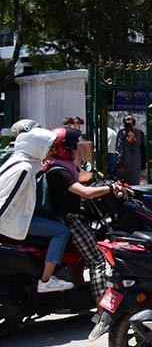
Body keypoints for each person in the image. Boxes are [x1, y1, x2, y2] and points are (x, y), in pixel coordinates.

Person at [42, 127, 121, 305]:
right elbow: (84, 192)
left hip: (67, 217)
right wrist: (110, 188)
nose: (77, 150)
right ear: (66, 148)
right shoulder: (58, 171)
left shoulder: (58, 166)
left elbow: (82, 181)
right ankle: (103, 305)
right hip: (71, 220)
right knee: (97, 259)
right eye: (74, 146)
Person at [0, 128, 74, 292]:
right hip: (11, 221)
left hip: (13, 217)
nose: (53, 152)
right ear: (39, 146)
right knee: (61, 231)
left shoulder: (19, 160)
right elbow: (8, 197)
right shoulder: (25, 168)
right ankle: (46, 279)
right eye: (50, 147)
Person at [116, 115, 146, 185]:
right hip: (137, 161)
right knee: (135, 181)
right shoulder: (140, 133)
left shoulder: (122, 132)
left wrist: (118, 161)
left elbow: (119, 147)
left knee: (124, 182)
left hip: (125, 161)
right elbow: (143, 148)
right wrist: (143, 164)